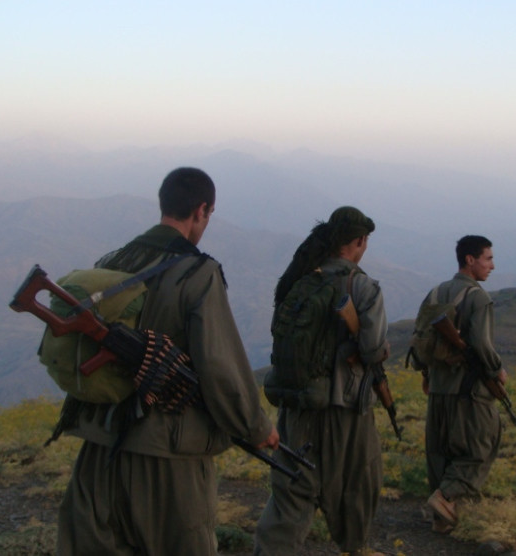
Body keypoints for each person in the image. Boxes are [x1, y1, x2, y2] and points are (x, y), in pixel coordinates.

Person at [55, 167, 279, 556]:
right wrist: (256, 427)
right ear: (202, 210)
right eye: (208, 215)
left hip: (98, 450)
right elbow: (220, 367)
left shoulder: (113, 261)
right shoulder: (198, 273)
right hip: (167, 458)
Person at [253, 207, 389, 556]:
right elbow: (372, 349)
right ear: (359, 241)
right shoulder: (362, 286)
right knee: (359, 483)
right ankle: (352, 547)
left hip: (297, 406)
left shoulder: (300, 280)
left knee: (292, 492)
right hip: (344, 411)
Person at [420, 235, 507, 534]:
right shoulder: (478, 297)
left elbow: (420, 339)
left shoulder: (435, 292)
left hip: (438, 388)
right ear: (470, 260)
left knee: (439, 453)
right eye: (488, 259)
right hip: (468, 390)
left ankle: (441, 518)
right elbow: (481, 343)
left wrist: (426, 374)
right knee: (481, 445)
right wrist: (497, 370)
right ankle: (447, 498)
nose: (492, 266)